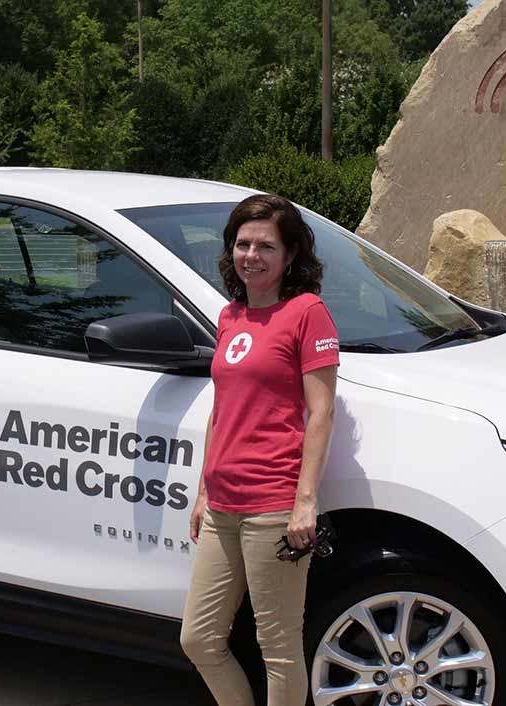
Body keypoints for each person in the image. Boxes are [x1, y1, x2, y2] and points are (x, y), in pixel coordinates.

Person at [181, 193, 340, 706]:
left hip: (273, 507)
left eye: (266, 246)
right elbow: (221, 407)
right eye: (243, 244)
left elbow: (321, 412)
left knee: (277, 647)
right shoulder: (230, 316)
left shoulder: (307, 312)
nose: (252, 255)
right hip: (223, 504)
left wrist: (305, 501)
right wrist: (203, 489)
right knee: (199, 638)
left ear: (290, 254)